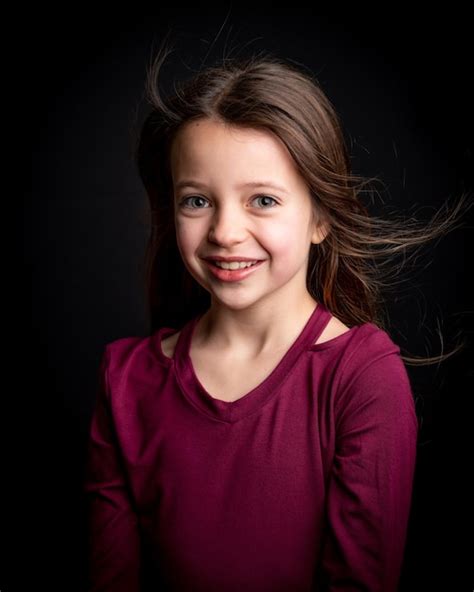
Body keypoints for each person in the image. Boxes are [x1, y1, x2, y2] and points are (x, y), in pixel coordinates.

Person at [83, 39, 471, 592]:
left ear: (321, 219)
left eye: (262, 200)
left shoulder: (361, 378)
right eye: (197, 200)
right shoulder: (124, 380)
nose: (224, 232)